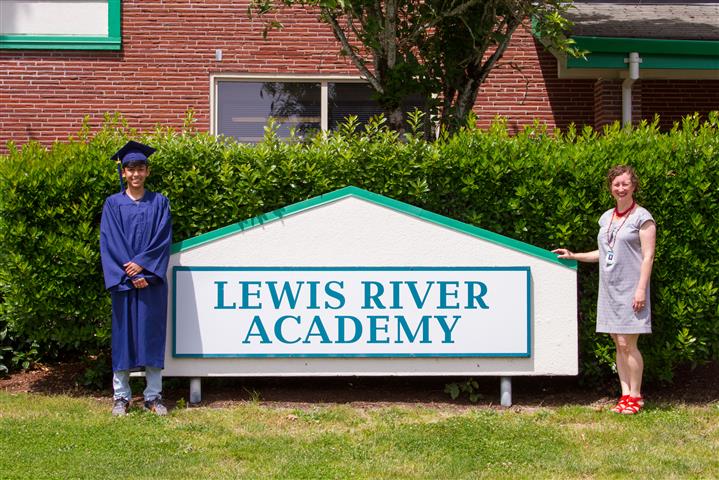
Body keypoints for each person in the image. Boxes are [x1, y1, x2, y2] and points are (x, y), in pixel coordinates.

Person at [553, 165, 656, 415]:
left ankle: (636, 396)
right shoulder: (606, 217)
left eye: (625, 184)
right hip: (610, 289)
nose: (620, 188)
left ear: (634, 186)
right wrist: (574, 255)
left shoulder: (643, 218)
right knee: (617, 344)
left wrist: (641, 289)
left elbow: (648, 256)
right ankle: (624, 395)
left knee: (628, 343)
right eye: (616, 184)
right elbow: (605, 252)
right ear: (611, 188)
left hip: (632, 288)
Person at [100, 140, 172, 416]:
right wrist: (130, 275)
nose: (135, 174)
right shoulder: (113, 204)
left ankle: (153, 396)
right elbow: (110, 242)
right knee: (123, 338)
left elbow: (162, 241)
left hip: (150, 283)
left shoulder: (159, 203)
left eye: (140, 169)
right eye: (130, 170)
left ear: (147, 172)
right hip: (124, 284)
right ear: (123, 173)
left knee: (151, 336)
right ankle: (121, 396)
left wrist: (143, 268)